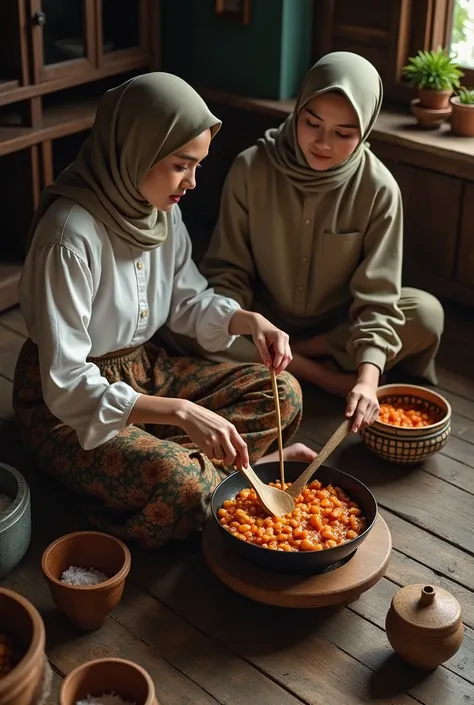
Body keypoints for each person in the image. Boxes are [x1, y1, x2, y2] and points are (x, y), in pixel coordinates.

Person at [12, 73, 316, 550]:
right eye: (181, 165)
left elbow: (184, 298)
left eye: (196, 166)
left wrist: (248, 321)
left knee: (283, 393)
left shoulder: (160, 210)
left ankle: (200, 472)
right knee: (181, 486)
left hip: (143, 370)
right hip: (66, 407)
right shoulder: (67, 237)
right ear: (135, 149)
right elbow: (66, 383)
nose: (192, 182)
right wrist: (181, 412)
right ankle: (218, 478)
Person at [199, 52, 444, 433]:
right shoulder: (251, 169)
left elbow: (379, 298)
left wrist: (366, 381)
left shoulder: (379, 190)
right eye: (312, 123)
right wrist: (250, 325)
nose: (323, 143)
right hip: (264, 319)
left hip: (338, 327)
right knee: (191, 324)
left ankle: (300, 353)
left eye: (344, 133)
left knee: (426, 315)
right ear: (297, 111)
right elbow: (227, 271)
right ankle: (319, 374)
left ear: (365, 130)